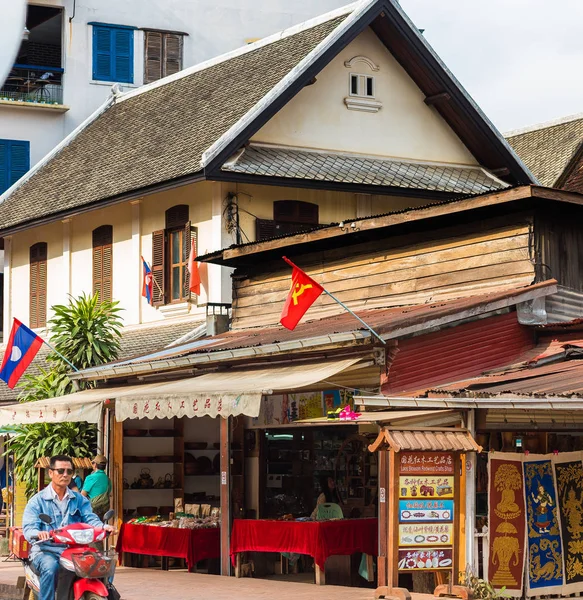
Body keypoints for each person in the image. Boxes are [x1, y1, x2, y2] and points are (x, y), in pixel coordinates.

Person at [23, 454, 114, 600]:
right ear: (51, 473)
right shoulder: (37, 501)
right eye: (60, 471)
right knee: (50, 567)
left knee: (103, 563)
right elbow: (29, 528)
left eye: (69, 472)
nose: (65, 475)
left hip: (75, 551)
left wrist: (103, 527)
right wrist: (39, 533)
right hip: (46, 550)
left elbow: (89, 517)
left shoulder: (79, 499)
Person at [81, 454, 111, 520]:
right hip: (105, 509)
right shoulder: (107, 479)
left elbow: (82, 495)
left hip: (93, 509)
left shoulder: (90, 478)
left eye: (93, 463)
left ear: (95, 465)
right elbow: (109, 492)